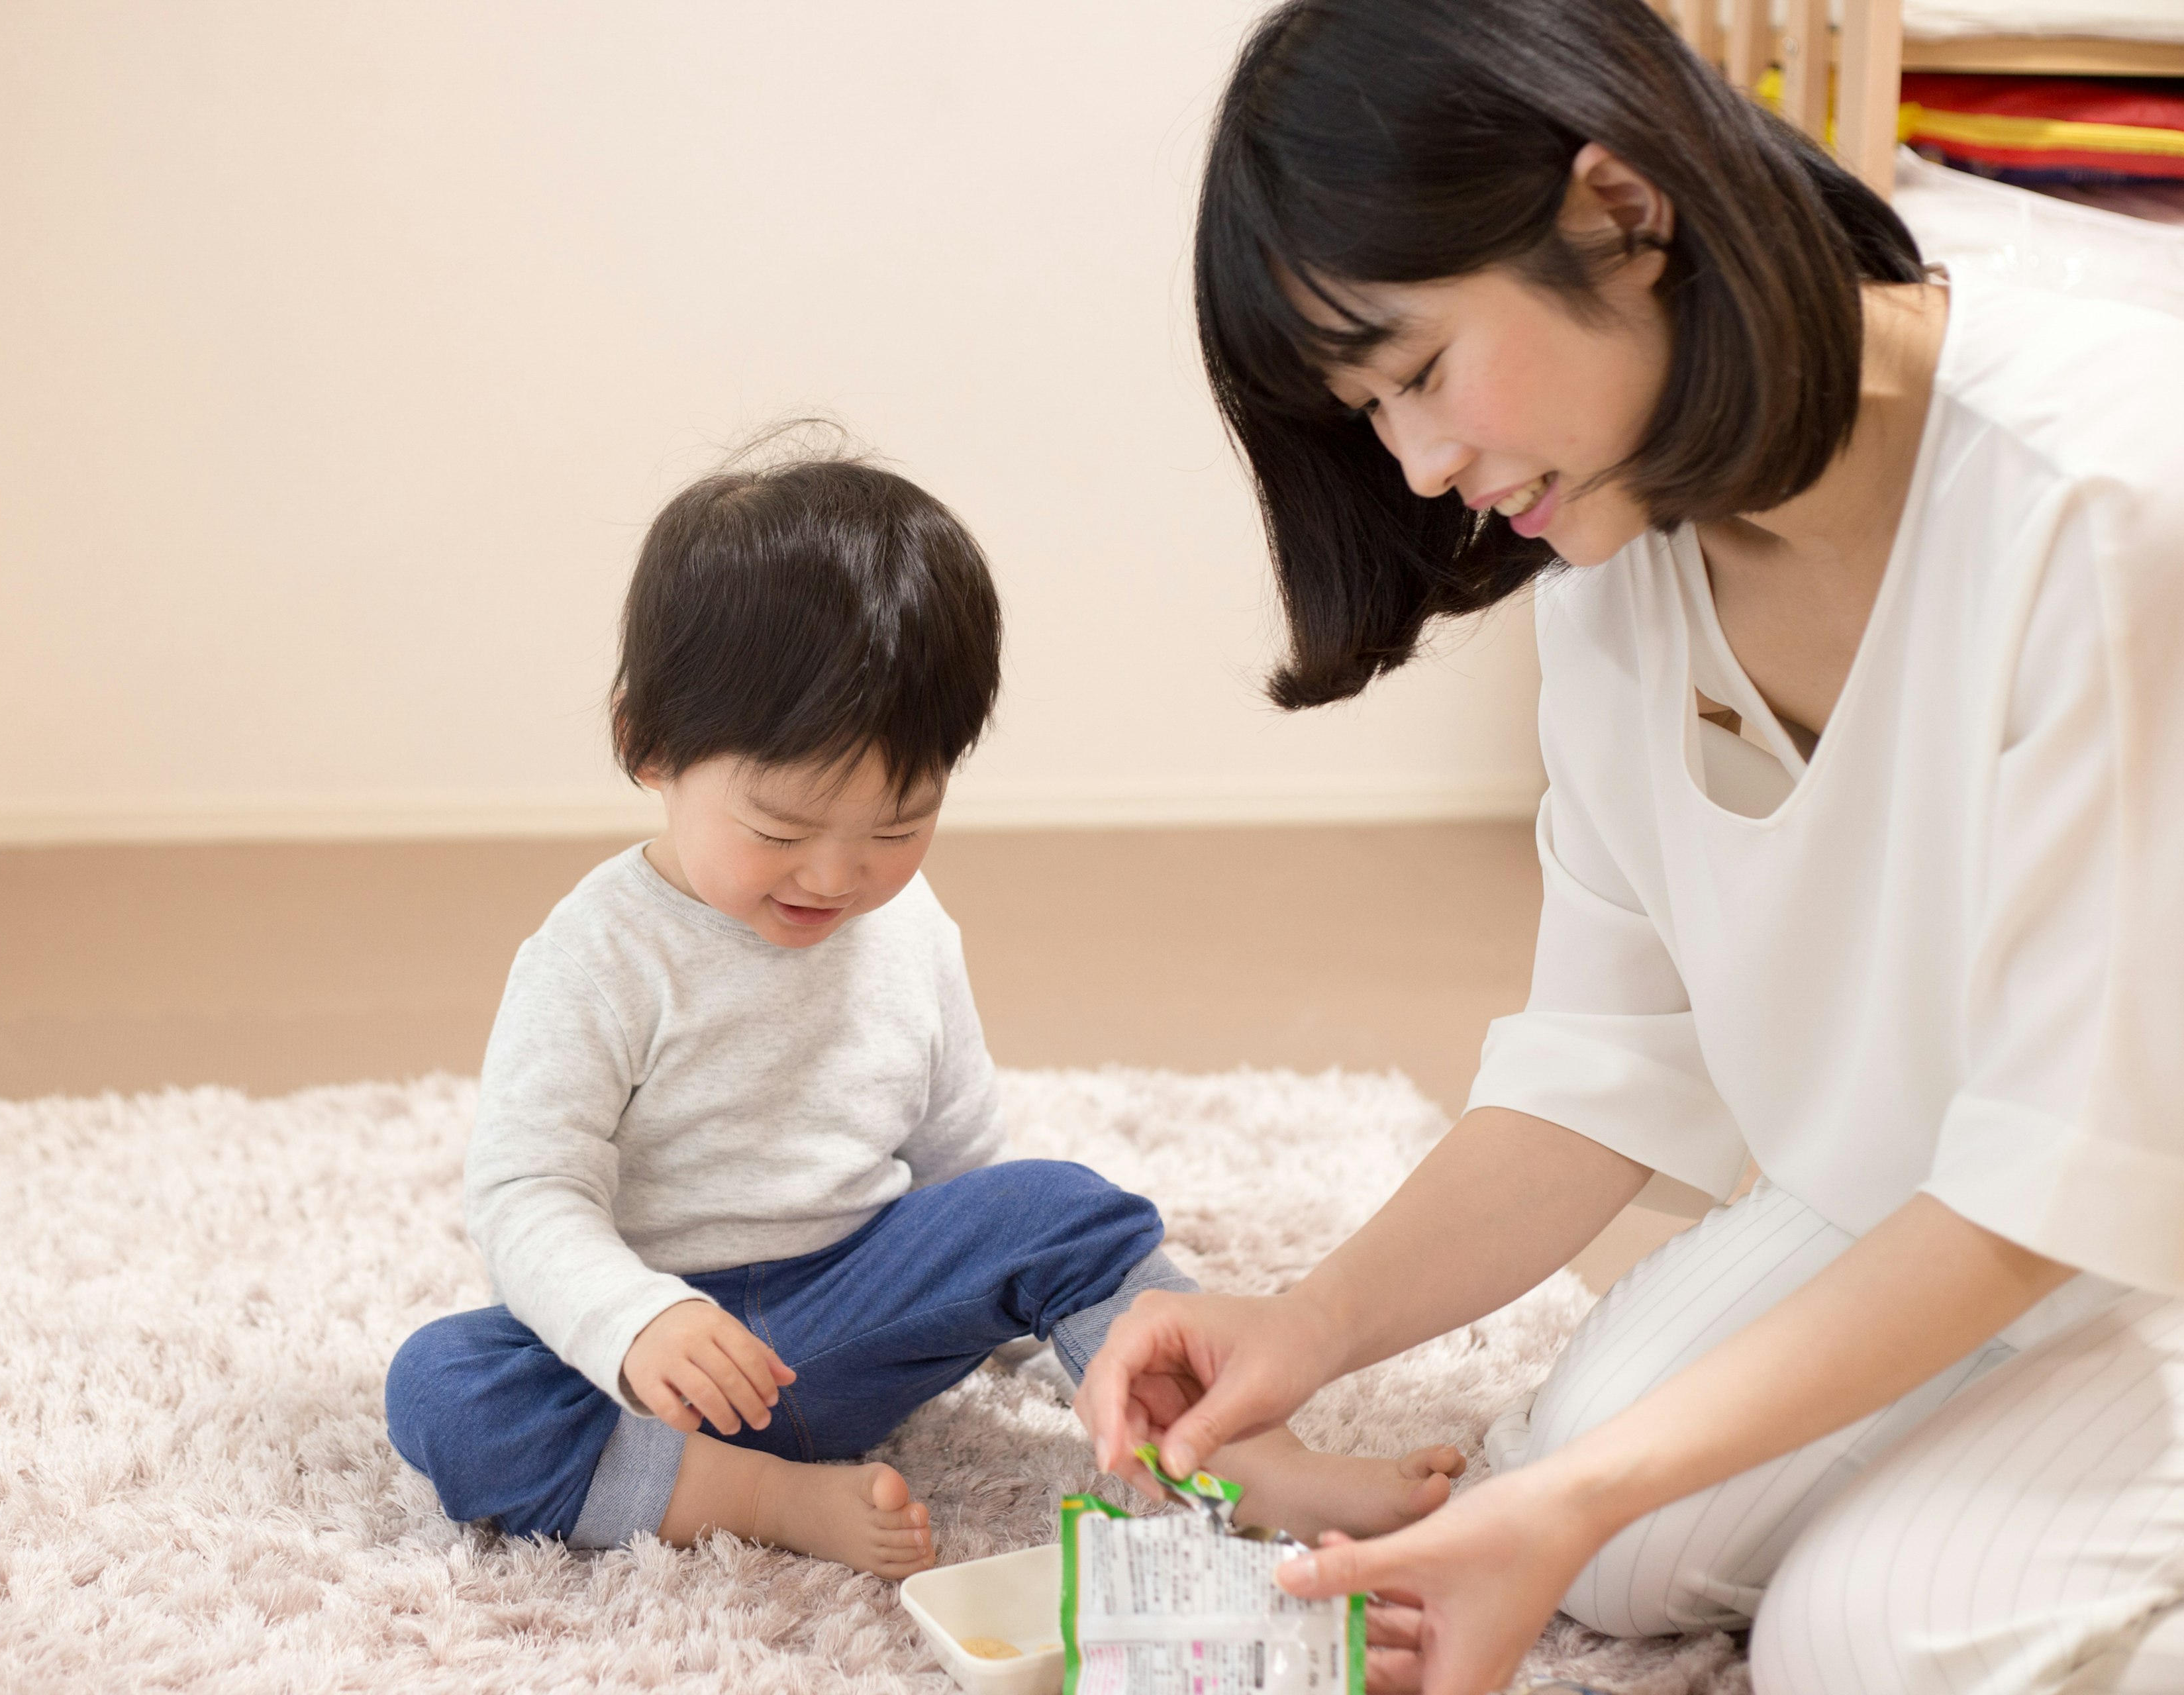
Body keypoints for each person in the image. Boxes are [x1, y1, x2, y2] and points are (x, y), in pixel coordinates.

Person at [1075, 3, 2184, 1691]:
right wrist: (1305, 1328)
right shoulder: (1619, 572)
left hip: (2124, 1195)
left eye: (1423, 369)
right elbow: (1602, 1061)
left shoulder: (2104, 497)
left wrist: (1581, 1493)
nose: (1425, 465)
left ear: (1620, 207)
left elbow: (2059, 1171)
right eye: (1371, 409)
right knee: (1613, 1520)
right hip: (1947, 1181)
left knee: (1867, 1636)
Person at [385, 434, 1462, 1578]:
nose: (837, 878)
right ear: (643, 744)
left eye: (898, 829)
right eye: (783, 832)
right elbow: (525, 1189)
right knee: (443, 1391)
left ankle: (1235, 1452)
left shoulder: (909, 930)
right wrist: (633, 1319)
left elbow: (962, 1175)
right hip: (662, 1374)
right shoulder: (597, 954)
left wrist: (1039, 1322)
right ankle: (754, 1498)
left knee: (1063, 1207)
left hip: (855, 1323)